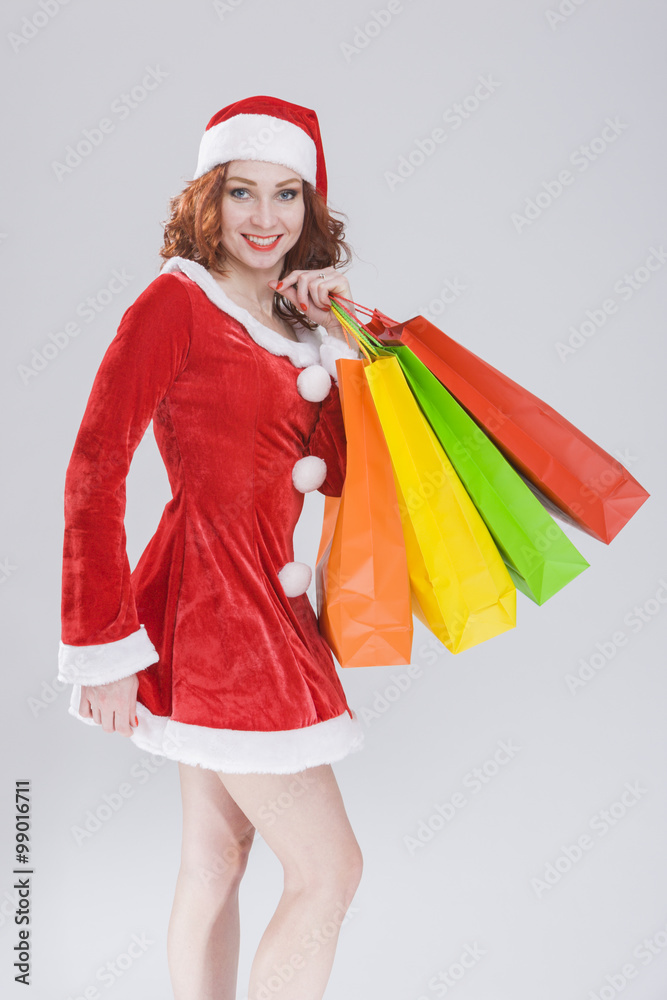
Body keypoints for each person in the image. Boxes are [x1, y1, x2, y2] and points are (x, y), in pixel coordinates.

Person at [57, 95, 366, 1000]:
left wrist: (338, 333)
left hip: (269, 612)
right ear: (208, 200)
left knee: (216, 859)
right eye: (241, 193)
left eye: (286, 196)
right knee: (331, 871)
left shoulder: (294, 322)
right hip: (216, 619)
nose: (264, 219)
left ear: (310, 209)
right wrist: (103, 646)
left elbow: (344, 472)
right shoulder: (173, 303)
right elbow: (92, 469)